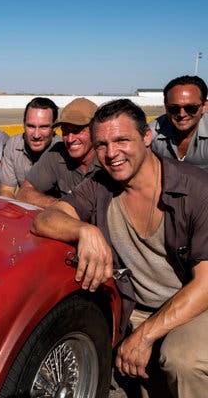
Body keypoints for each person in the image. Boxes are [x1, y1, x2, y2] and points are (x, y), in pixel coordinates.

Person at [32, 99, 208, 397]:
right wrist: (84, 230)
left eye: (122, 140)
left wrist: (145, 335)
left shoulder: (196, 189)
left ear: (147, 137)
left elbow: (205, 284)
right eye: (102, 144)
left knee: (183, 360)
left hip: (194, 305)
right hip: (136, 307)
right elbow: (45, 219)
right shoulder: (101, 185)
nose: (111, 153)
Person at [16, 97, 100, 208]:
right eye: (65, 131)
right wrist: (63, 206)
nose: (70, 139)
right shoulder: (57, 153)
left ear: (96, 130)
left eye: (77, 131)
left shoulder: (109, 158)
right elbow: (23, 193)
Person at [0, 97, 61, 198]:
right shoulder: (13, 145)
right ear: (23, 124)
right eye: (31, 126)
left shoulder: (64, 151)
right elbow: (6, 190)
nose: (36, 135)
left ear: (55, 127)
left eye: (43, 127)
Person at [150, 75, 208, 171]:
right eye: (174, 108)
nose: (182, 114)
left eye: (191, 108)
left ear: (204, 106)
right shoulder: (150, 134)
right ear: (165, 106)